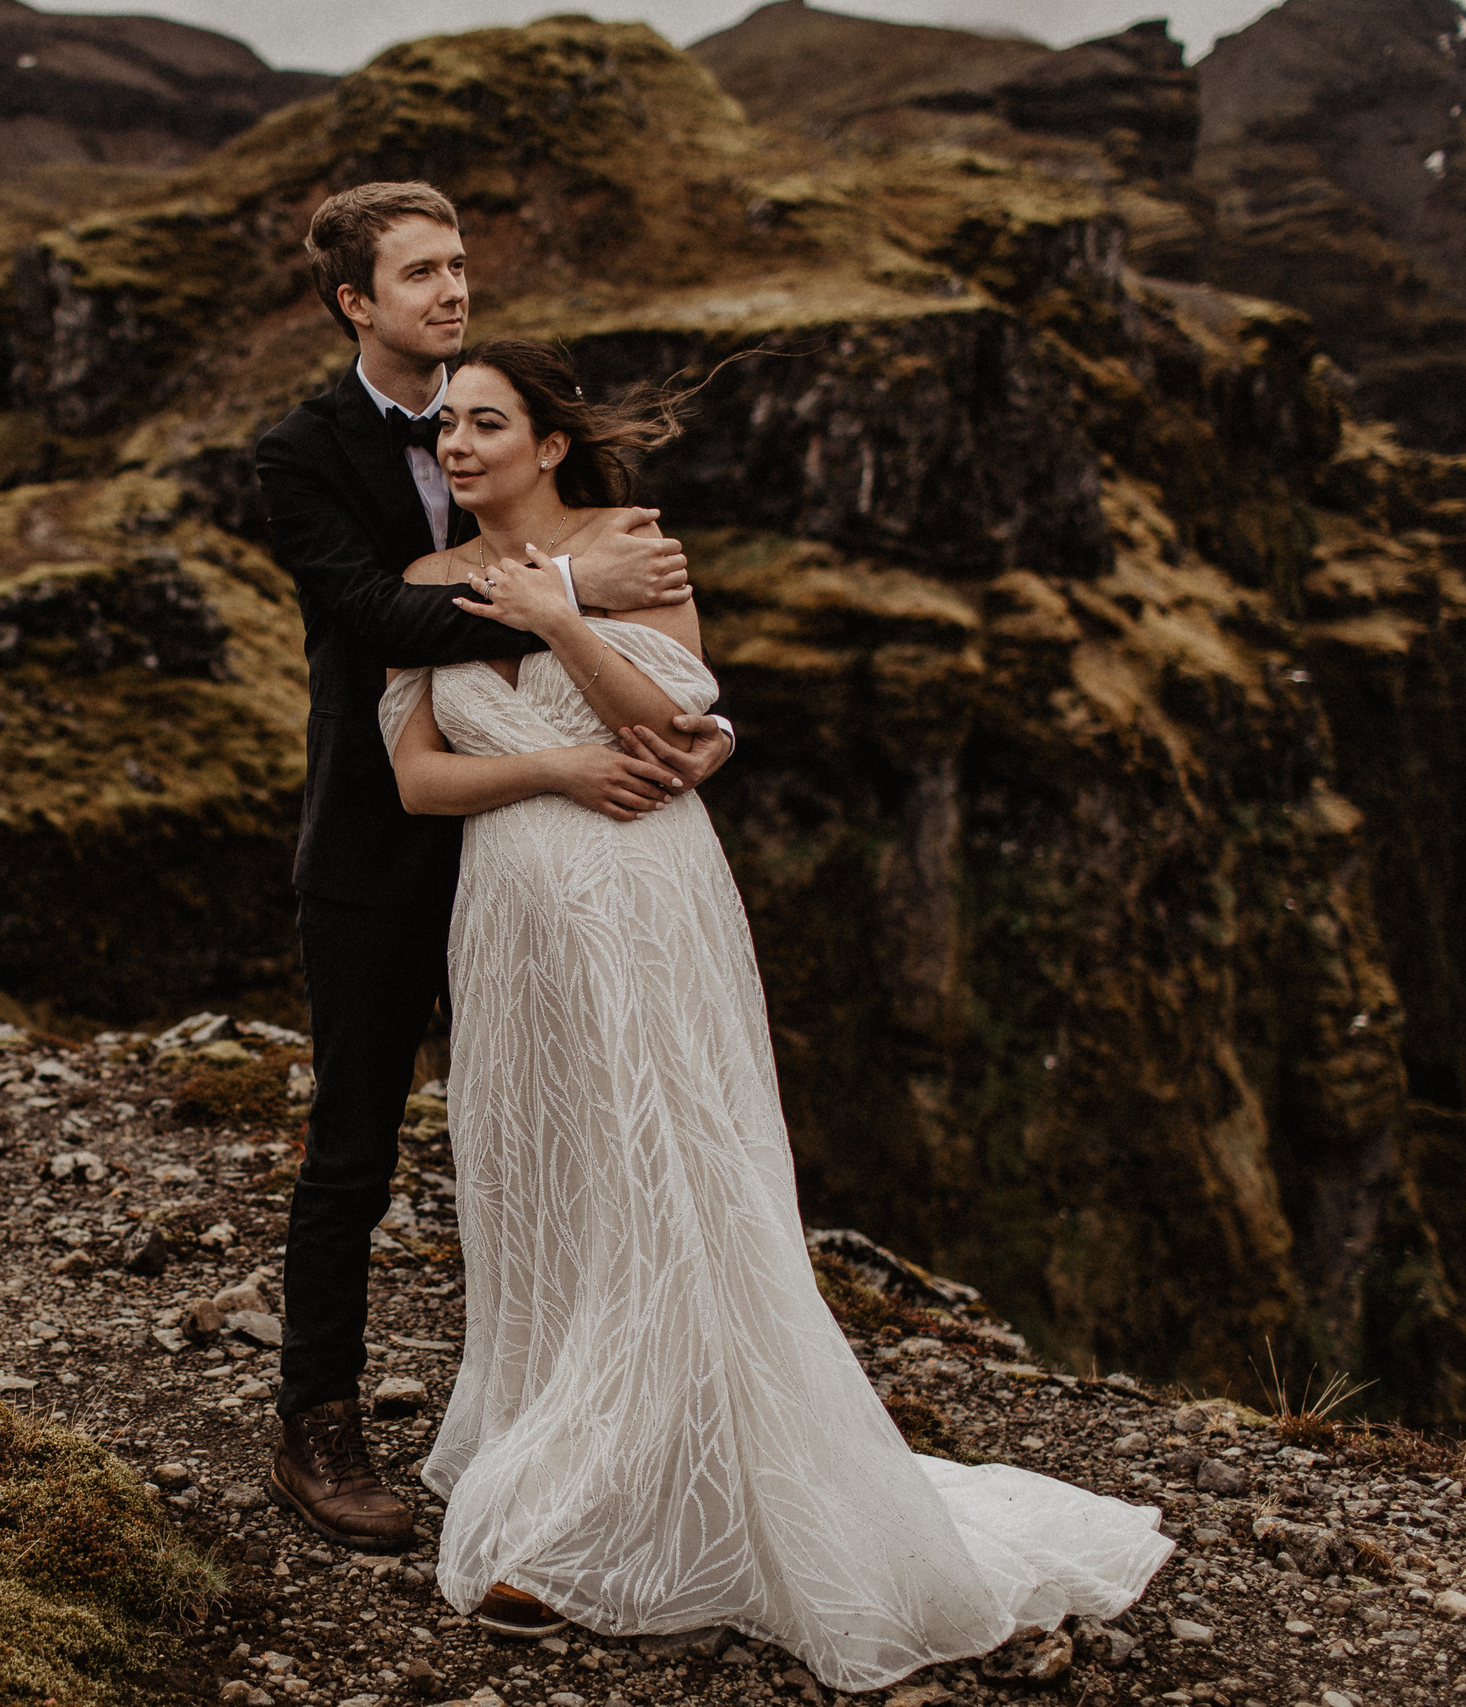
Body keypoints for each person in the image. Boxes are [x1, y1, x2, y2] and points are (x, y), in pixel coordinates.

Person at [378, 338, 1172, 1692]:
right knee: (550, 1178)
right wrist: (561, 761)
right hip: (511, 916)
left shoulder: (637, 548)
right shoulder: (420, 584)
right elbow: (415, 782)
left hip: (644, 899)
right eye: (447, 424)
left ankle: (607, 1511)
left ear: (550, 444)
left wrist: (568, 621)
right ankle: (562, 1438)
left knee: (668, 1177)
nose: (458, 445)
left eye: (488, 424)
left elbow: (679, 726)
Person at [254, 180, 736, 1554]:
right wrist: (571, 598)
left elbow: (675, 668)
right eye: (420, 274)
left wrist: (702, 728)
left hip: (567, 874)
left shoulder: (520, 436)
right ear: (357, 301)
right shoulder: (300, 452)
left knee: (574, 1138)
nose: (452, 290)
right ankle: (318, 1424)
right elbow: (364, 611)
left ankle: (596, 1423)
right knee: (355, 1142)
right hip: (385, 842)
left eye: (459, 266)